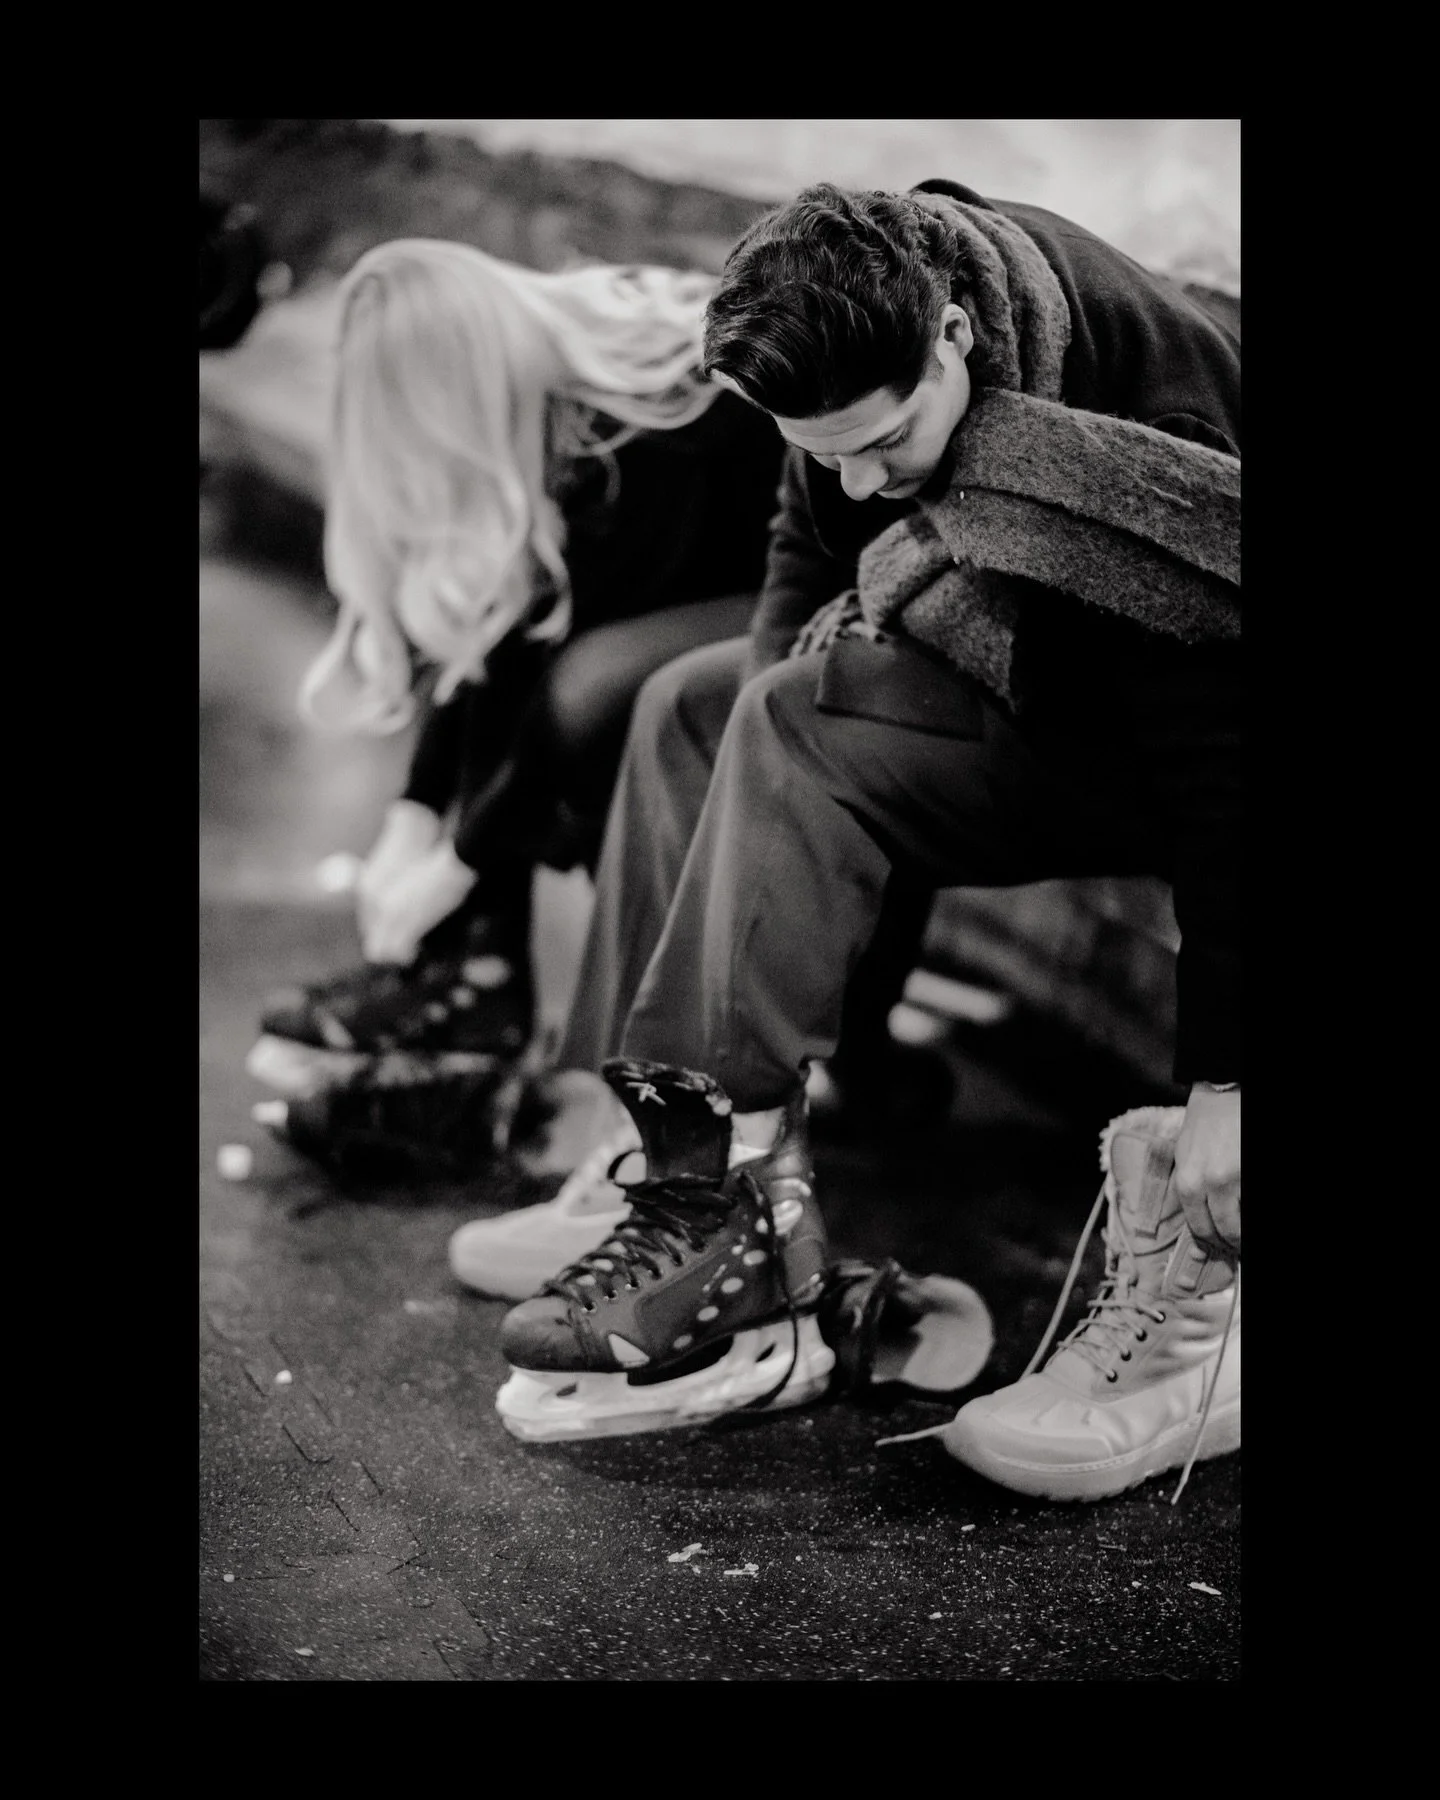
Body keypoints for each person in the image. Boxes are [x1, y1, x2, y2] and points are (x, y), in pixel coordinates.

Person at [476, 180, 1241, 1503]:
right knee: (704, 705)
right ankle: (669, 1161)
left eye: (883, 443)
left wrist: (1227, 1085)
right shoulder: (851, 320)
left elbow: (1228, 769)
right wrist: (765, 766)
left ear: (953, 336)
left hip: (1162, 730)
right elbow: (801, 554)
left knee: (790, 719)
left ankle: (731, 1224)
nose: (856, 480)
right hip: (1025, 669)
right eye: (819, 447)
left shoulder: (1138, 432)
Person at [244, 237, 787, 1156]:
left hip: (793, 609)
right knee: (521, 645)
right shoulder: (559, 373)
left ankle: (497, 993)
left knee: (576, 691)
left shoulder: (654, 426)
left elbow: (565, 687)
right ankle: (472, 979)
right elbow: (499, 612)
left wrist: (458, 859)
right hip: (677, 622)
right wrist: (412, 818)